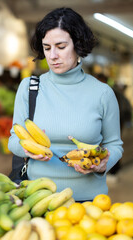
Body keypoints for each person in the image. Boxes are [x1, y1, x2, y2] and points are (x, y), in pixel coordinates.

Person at [8, 7, 123, 201]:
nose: (52, 56)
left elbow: (114, 144)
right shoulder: (30, 88)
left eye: (61, 47)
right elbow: (13, 140)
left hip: (89, 202)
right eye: (47, 48)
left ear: (78, 45)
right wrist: (26, 149)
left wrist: (103, 164)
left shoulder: (102, 93)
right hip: (38, 198)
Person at [96, 73, 132, 175]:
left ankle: (114, 169)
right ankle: (113, 169)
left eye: (99, 79)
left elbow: (121, 109)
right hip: (117, 122)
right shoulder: (106, 92)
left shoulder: (109, 92)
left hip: (117, 122)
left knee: (112, 145)